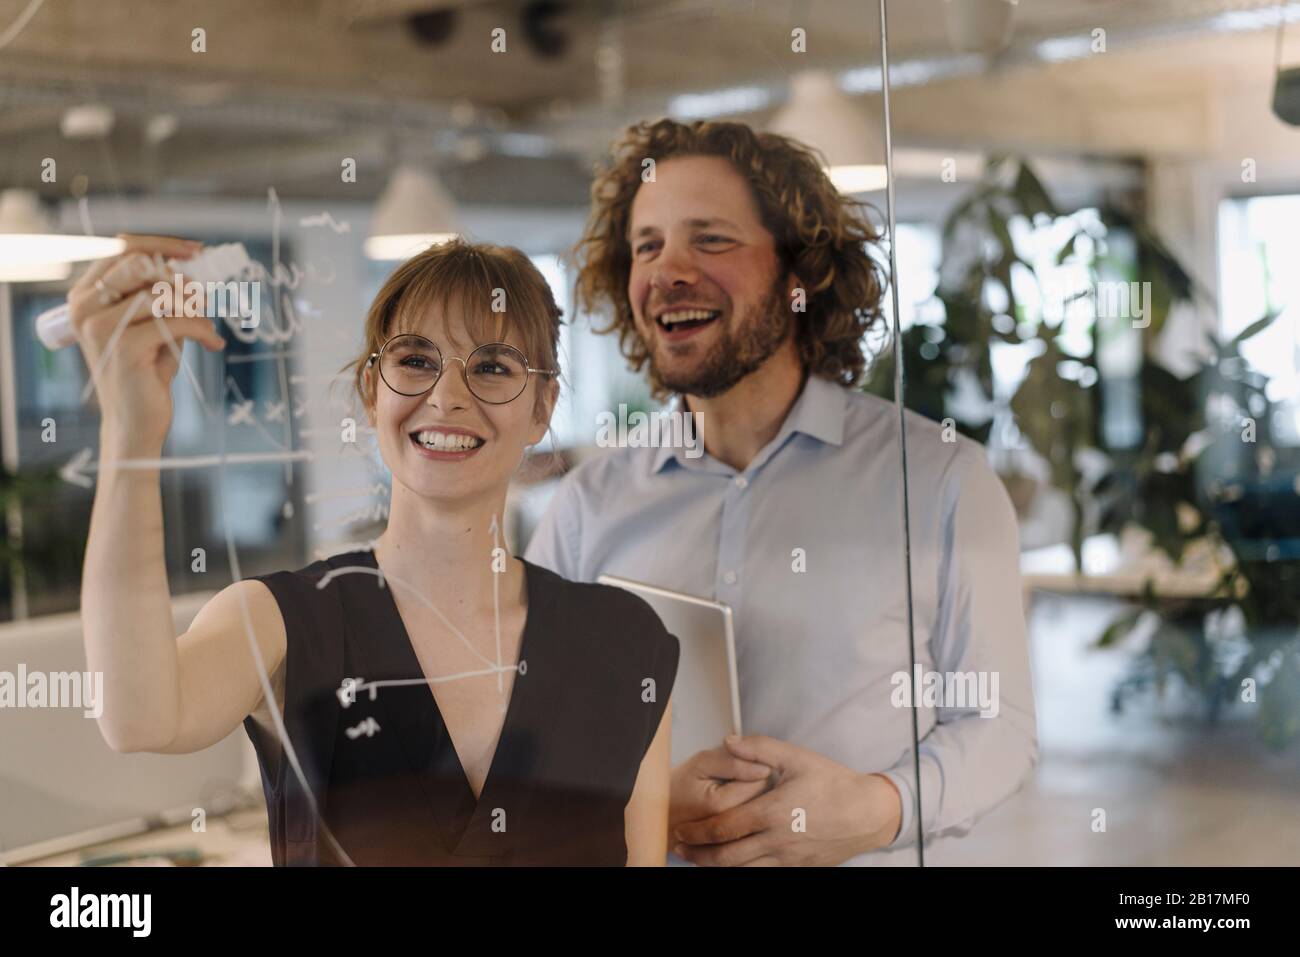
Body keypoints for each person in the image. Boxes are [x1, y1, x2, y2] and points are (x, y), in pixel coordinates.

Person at [525, 118, 1038, 866]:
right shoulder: (589, 503)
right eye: (647, 246)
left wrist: (876, 806)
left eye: (710, 239)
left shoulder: (937, 480)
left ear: (799, 275)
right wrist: (645, 803)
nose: (668, 270)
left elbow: (1001, 725)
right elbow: (533, 722)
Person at [73, 234, 678, 866]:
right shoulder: (280, 622)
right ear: (372, 392)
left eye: (493, 367)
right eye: (416, 360)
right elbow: (136, 716)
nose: (447, 396)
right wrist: (132, 428)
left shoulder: (625, 645)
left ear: (541, 409)